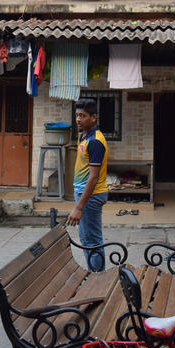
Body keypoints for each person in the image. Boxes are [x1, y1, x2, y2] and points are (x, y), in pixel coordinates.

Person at [67, 99, 111, 272]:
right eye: (77, 115)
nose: (78, 119)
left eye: (82, 116)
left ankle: (98, 280)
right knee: (87, 240)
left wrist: (79, 207)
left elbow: (93, 177)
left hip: (91, 196)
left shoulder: (95, 142)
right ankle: (96, 277)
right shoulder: (83, 135)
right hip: (85, 193)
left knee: (91, 241)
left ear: (94, 117)